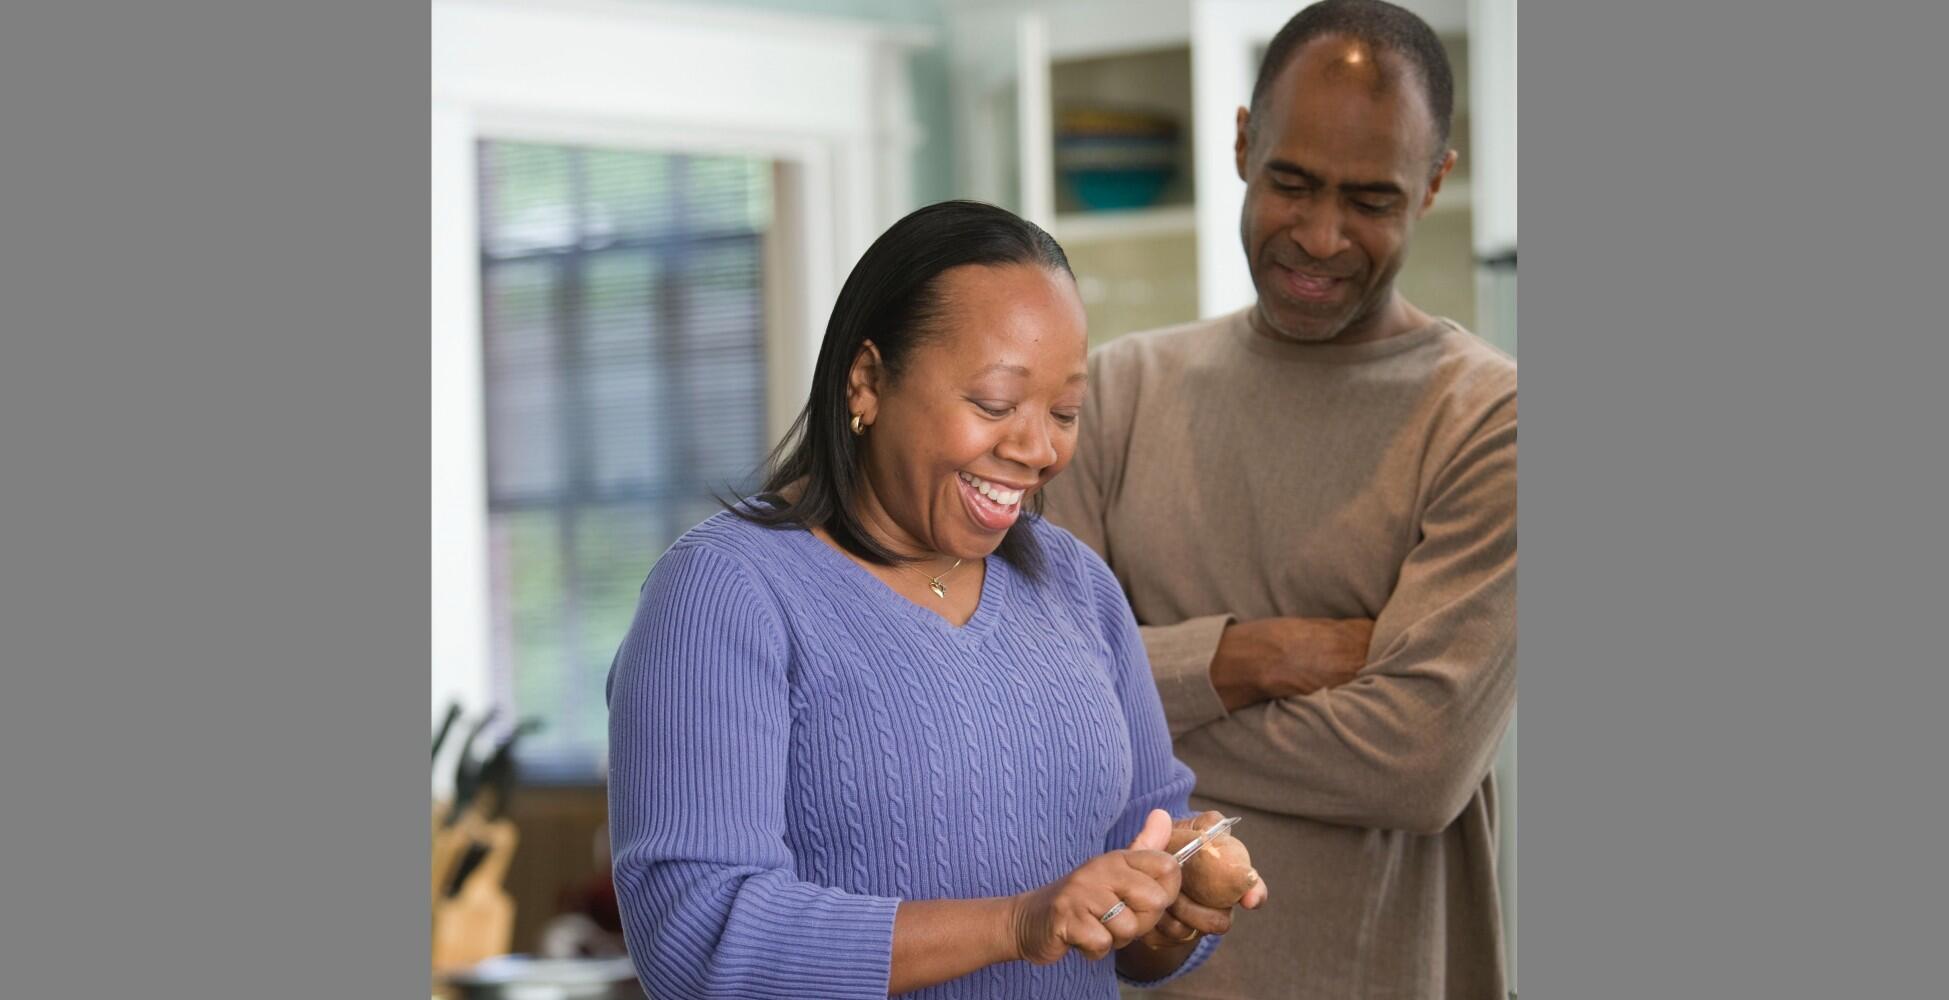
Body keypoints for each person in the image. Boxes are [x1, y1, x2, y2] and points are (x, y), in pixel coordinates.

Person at [606, 200, 1268, 999]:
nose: (1037, 449)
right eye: (994, 404)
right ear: (867, 381)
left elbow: (1125, 930)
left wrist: (1176, 904)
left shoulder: (1077, 588)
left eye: (1064, 413)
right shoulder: (724, 595)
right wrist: (1016, 924)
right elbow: (696, 939)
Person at [1040, 2, 1517, 997]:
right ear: (1241, 142)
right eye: (1291, 182)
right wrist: (1248, 656)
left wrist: (1135, 685)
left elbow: (1416, 763)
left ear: (1434, 181)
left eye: (1370, 198)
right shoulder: (1117, 392)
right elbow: (1038, 704)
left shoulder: (1488, 420)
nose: (1320, 234)